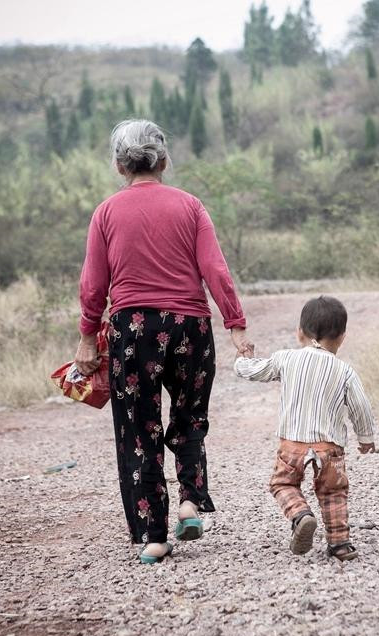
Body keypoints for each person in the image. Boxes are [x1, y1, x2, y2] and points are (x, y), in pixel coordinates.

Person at [74, 119, 254, 564]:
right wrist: (235, 322)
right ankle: (190, 502)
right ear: (165, 160)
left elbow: (94, 284)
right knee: (191, 417)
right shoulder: (191, 206)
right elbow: (215, 269)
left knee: (138, 429)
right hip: (191, 328)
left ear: (119, 166)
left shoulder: (106, 213)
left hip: (133, 331)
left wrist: (86, 337)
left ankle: (154, 536)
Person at [234, 295, 376, 561]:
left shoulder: (286, 359)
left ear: (300, 332)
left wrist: (244, 358)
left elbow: (252, 371)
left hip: (293, 445)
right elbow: (361, 406)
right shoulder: (345, 371)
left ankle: (301, 515)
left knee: (283, 483)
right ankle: (340, 544)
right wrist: (366, 437)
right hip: (330, 447)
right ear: (342, 337)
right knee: (333, 492)